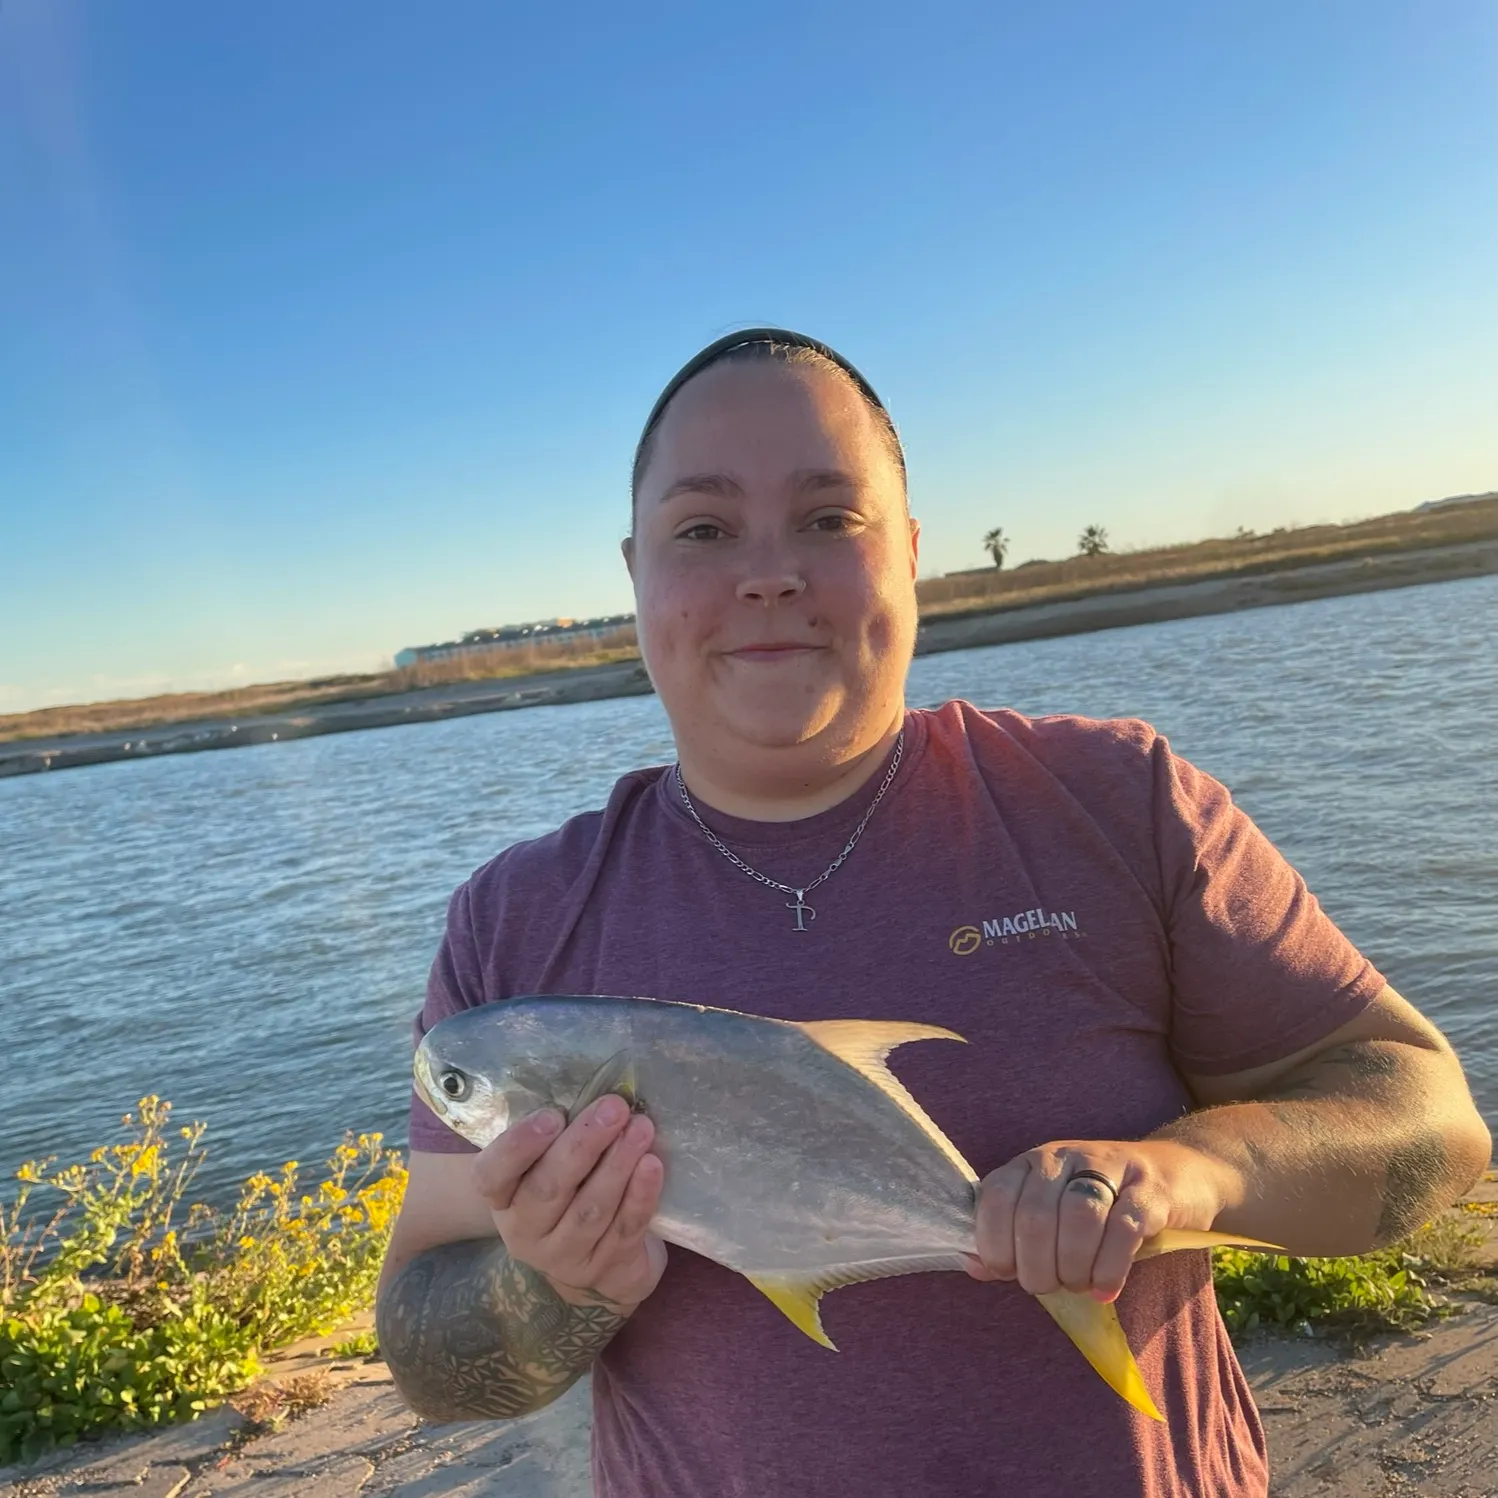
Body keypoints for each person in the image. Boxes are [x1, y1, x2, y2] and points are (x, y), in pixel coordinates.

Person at [374, 329, 1491, 1498]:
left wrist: (1185, 1177)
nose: (768, 574)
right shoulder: (517, 925)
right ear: (637, 571)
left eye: (829, 518)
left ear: (910, 553)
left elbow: (1430, 1123)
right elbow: (428, 1360)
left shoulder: (1117, 804)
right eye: (702, 529)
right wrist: (551, 1281)